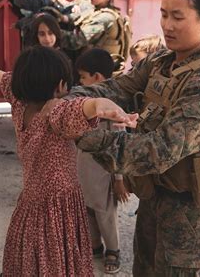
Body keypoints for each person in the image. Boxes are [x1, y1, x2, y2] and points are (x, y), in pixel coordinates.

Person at [69, 0, 200, 276]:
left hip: (190, 219)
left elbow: (160, 150)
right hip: (155, 199)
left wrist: (87, 136)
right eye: (163, 14)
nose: (167, 25)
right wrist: (71, 101)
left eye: (178, 17)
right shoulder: (162, 61)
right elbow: (118, 89)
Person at [0, 46, 137, 276]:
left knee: (31, 259)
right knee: (56, 263)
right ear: (59, 86)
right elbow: (83, 108)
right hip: (58, 212)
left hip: (30, 204)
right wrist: (102, 106)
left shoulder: (19, 104)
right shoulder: (55, 114)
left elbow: (7, 80)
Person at [75, 48, 130, 274]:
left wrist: (118, 179)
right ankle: (95, 246)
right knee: (88, 210)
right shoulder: (87, 101)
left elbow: (119, 144)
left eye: (83, 77)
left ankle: (113, 251)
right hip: (84, 169)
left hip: (104, 172)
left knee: (105, 213)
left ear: (97, 78)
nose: (80, 82)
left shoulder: (112, 104)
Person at [63, 0, 130, 69]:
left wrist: (54, 33)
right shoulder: (97, 10)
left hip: (97, 73)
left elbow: (76, 41)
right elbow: (78, 19)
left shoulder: (105, 18)